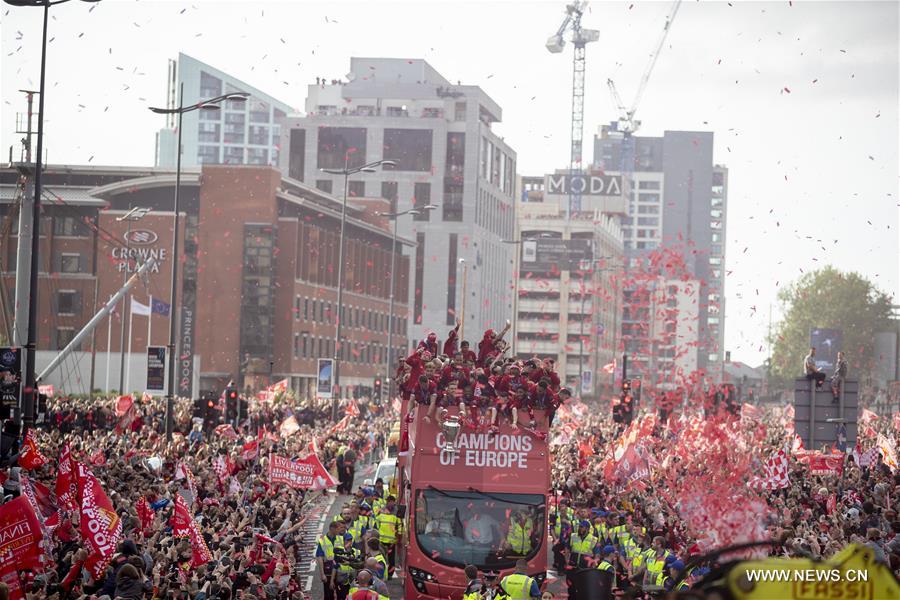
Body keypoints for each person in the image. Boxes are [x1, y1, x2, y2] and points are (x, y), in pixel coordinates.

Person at [375, 495, 402, 577]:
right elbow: (376, 524)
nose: (389, 503)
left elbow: (400, 526)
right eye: (388, 501)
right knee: (380, 559)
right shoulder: (381, 511)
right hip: (381, 541)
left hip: (391, 542)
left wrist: (399, 538)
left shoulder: (397, 513)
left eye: (391, 502)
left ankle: (390, 575)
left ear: (394, 502)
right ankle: (379, 574)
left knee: (391, 561)